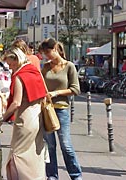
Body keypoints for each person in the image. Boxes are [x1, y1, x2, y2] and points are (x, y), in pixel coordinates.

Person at [0, 47, 47, 180]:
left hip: (24, 120)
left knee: (17, 154)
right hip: (37, 118)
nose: (10, 67)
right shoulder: (35, 72)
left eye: (11, 64)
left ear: (17, 59)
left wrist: (2, 119)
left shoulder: (20, 76)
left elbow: (16, 103)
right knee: (33, 155)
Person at [40, 38, 82, 180]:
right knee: (50, 146)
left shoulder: (69, 66)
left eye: (48, 52)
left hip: (61, 109)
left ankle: (76, 175)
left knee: (66, 145)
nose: (47, 55)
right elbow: (40, 85)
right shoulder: (45, 67)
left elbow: (75, 89)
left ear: (55, 49)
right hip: (46, 110)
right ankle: (52, 176)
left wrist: (56, 93)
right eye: (44, 53)